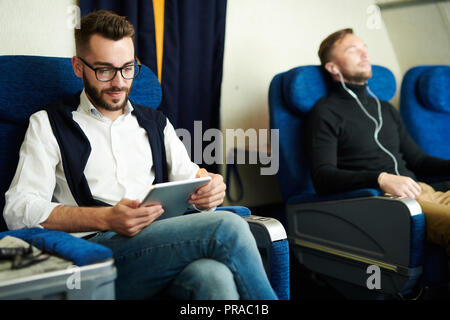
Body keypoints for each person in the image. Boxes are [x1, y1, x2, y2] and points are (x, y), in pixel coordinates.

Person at [3, 10, 277, 300]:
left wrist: (209, 189)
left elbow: (192, 179)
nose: (119, 82)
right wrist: (106, 218)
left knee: (212, 275)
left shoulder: (156, 122)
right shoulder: (47, 123)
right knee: (228, 227)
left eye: (128, 67)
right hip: (98, 253)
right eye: (104, 70)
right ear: (78, 67)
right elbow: (18, 210)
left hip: (160, 244)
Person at [306, 28, 450, 255]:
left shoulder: (384, 109)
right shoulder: (325, 112)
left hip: (425, 191)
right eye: (354, 50)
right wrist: (380, 179)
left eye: (365, 49)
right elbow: (323, 177)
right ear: (333, 68)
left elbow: (418, 160)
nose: (365, 55)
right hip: (385, 202)